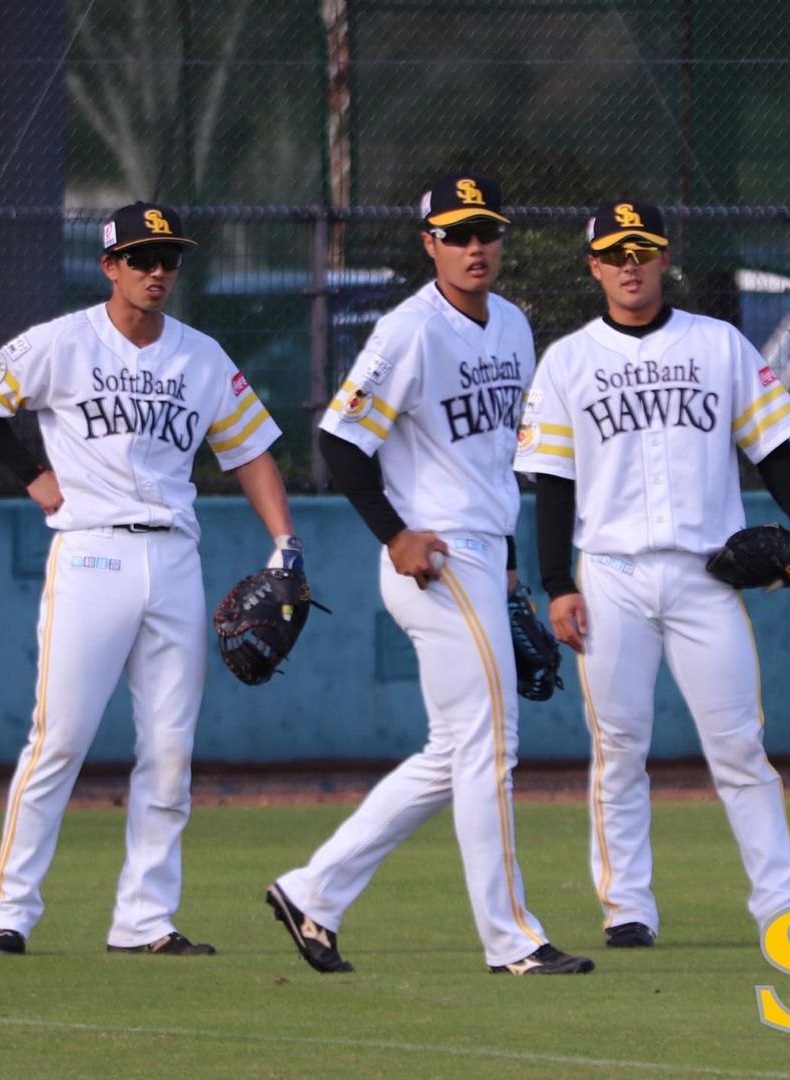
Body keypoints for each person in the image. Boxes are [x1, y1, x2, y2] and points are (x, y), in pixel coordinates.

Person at [0, 201, 304, 956]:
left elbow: (249, 451)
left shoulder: (201, 355)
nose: (157, 271)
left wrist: (285, 544)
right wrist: (31, 473)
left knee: (170, 751)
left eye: (168, 258)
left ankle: (145, 919)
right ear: (109, 265)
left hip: (174, 558)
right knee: (60, 740)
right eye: (141, 258)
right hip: (92, 553)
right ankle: (9, 913)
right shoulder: (62, 342)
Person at [265, 173, 594, 976]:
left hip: (484, 552)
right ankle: (512, 940)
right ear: (429, 244)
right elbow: (341, 439)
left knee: (455, 752)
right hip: (437, 559)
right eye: (456, 235)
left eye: (485, 232)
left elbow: (493, 460)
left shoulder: (513, 323)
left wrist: (511, 567)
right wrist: (395, 534)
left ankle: (313, 891)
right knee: (493, 747)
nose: (474, 247)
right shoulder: (410, 330)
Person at [514, 199, 790, 947]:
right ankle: (627, 907)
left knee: (740, 744)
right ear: (593, 265)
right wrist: (558, 583)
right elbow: (553, 482)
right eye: (614, 253)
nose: (630, 265)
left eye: (642, 250)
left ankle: (782, 905)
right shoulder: (568, 361)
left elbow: (772, 446)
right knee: (619, 749)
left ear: (663, 258)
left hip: (706, 575)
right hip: (610, 575)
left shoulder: (719, 344)